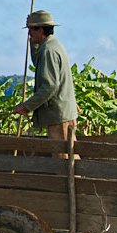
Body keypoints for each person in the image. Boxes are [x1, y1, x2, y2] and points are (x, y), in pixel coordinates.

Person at [13, 9, 78, 141]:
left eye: (31, 29)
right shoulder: (51, 45)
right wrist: (32, 43)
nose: (29, 33)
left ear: (41, 30)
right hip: (61, 114)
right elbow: (38, 61)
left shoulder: (48, 50)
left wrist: (27, 106)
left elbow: (49, 86)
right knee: (68, 154)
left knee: (63, 156)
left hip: (58, 115)